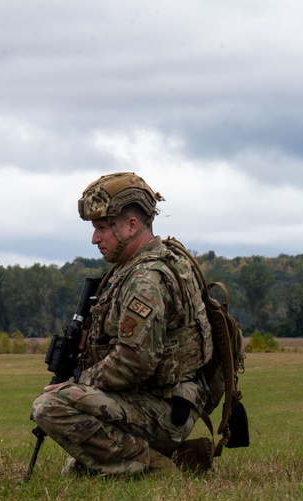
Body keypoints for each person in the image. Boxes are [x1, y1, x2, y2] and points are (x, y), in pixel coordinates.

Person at [31, 172, 214, 476]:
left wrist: (79, 383)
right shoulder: (140, 266)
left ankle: (157, 468)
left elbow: (135, 361)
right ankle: (185, 459)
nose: (94, 238)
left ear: (131, 226)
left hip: (165, 408)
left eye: (102, 228)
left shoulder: (146, 279)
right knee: (78, 471)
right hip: (158, 400)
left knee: (49, 406)